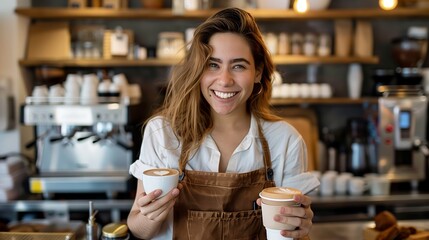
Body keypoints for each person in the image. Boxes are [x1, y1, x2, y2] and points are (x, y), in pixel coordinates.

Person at [127, 7, 320, 240]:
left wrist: (300, 229)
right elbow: (138, 227)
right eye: (213, 65)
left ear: (258, 72)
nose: (225, 80)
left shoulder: (284, 140)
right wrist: (149, 216)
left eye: (238, 66)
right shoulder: (163, 132)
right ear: (198, 70)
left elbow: (292, 235)